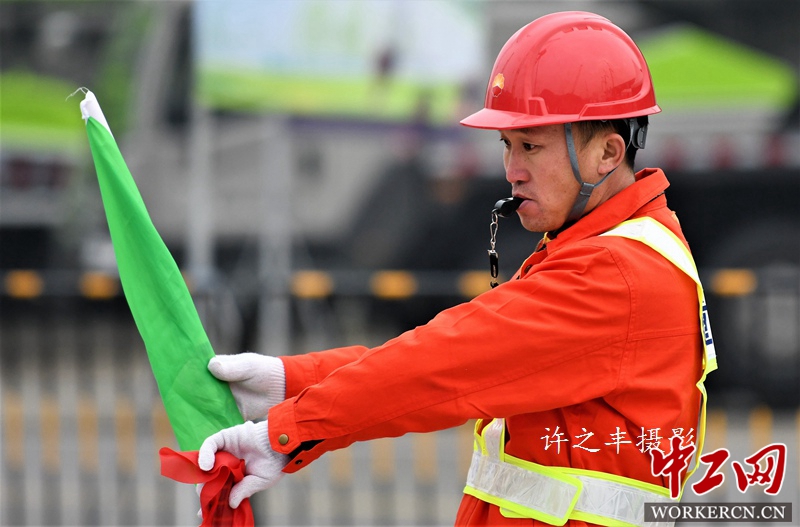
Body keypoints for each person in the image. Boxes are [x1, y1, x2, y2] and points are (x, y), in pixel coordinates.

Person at [197, 11, 716, 526]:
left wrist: (289, 430)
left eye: (531, 146)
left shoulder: (614, 272)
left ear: (608, 152)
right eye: (507, 145)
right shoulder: (608, 249)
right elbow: (455, 357)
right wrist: (291, 381)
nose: (512, 171)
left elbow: (443, 363)